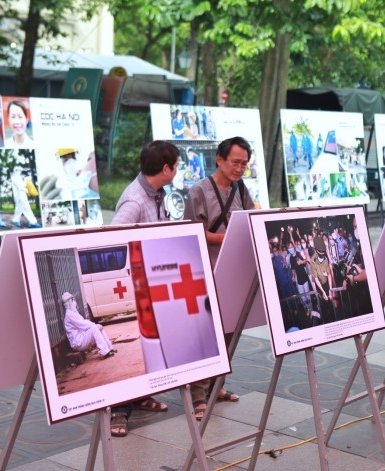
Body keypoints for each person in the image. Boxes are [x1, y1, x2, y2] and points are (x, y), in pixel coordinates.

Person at [109, 141, 180, 436]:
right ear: (165, 169)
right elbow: (113, 237)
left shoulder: (157, 194)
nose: (177, 170)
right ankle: (119, 412)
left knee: (151, 345)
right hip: (135, 285)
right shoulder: (135, 200)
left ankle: (141, 396)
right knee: (137, 351)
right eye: (176, 166)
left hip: (152, 282)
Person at [185, 136, 255, 418]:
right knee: (205, 333)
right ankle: (198, 394)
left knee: (227, 332)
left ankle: (217, 385)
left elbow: (251, 217)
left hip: (233, 269)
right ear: (219, 160)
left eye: (244, 164)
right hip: (206, 270)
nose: (240, 168)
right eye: (235, 162)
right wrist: (223, 238)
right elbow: (190, 231)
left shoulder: (241, 188)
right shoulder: (198, 191)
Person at [61, 292, 115, 359]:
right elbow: (84, 325)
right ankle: (103, 352)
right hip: (78, 343)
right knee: (94, 327)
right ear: (69, 303)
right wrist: (94, 325)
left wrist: (96, 325)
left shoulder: (73, 313)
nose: (74, 302)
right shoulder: (69, 315)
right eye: (72, 300)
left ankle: (109, 348)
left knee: (98, 327)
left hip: (82, 338)